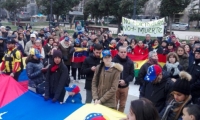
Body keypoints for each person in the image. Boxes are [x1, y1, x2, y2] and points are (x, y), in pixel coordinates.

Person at [112, 46, 134, 112]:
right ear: (118, 52)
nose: (123, 53)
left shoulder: (130, 62)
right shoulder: (114, 61)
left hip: (125, 87)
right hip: (115, 87)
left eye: (125, 52)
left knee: (122, 105)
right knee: (114, 105)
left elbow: (132, 75)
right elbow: (110, 74)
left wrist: (125, 81)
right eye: (121, 52)